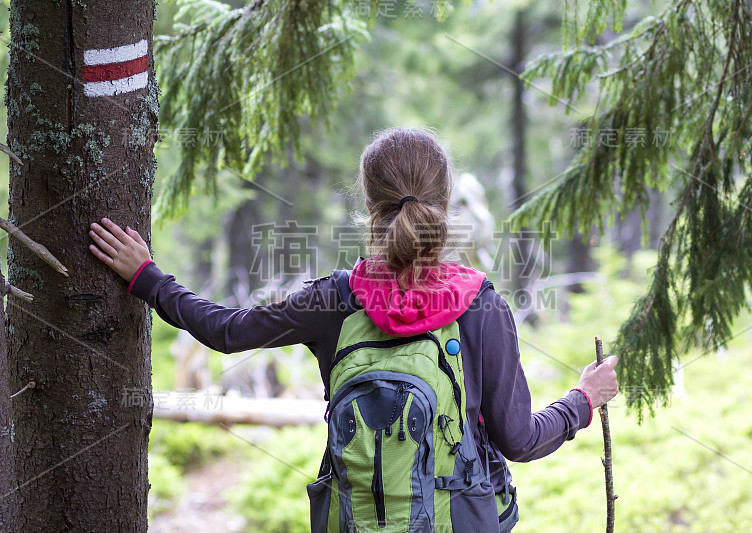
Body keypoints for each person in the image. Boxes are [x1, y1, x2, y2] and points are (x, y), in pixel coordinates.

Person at [89, 127, 618, 531]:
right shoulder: (480, 305)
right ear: (445, 203)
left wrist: (148, 278)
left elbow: (226, 331)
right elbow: (520, 440)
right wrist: (583, 399)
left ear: (369, 207)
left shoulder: (334, 300)